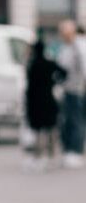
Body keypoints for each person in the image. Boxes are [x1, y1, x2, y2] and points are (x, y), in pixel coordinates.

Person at [24, 38, 66, 170]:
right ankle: (51, 155)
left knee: (38, 131)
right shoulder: (49, 63)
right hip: (48, 100)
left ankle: (38, 156)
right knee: (50, 129)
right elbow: (64, 73)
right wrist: (54, 82)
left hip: (36, 102)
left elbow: (29, 88)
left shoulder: (32, 65)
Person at [57, 20, 85, 168]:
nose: (63, 36)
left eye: (65, 33)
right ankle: (69, 151)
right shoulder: (67, 47)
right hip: (68, 88)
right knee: (68, 121)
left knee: (76, 121)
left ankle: (75, 152)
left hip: (77, 89)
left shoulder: (79, 46)